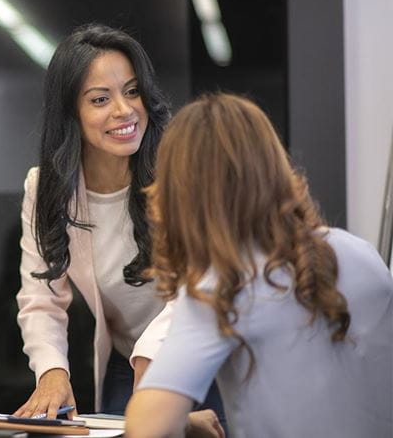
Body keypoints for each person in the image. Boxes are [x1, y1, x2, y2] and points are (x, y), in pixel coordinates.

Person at [126, 93, 393, 437]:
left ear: (181, 194)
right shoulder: (363, 256)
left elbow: (149, 427)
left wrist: (186, 421)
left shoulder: (223, 289)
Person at [14, 23, 223, 423]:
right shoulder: (45, 188)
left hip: (205, 358)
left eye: (132, 91)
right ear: (70, 111)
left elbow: (203, 283)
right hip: (127, 363)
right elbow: (41, 298)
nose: (124, 110)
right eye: (99, 99)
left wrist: (152, 360)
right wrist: (52, 373)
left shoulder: (181, 170)